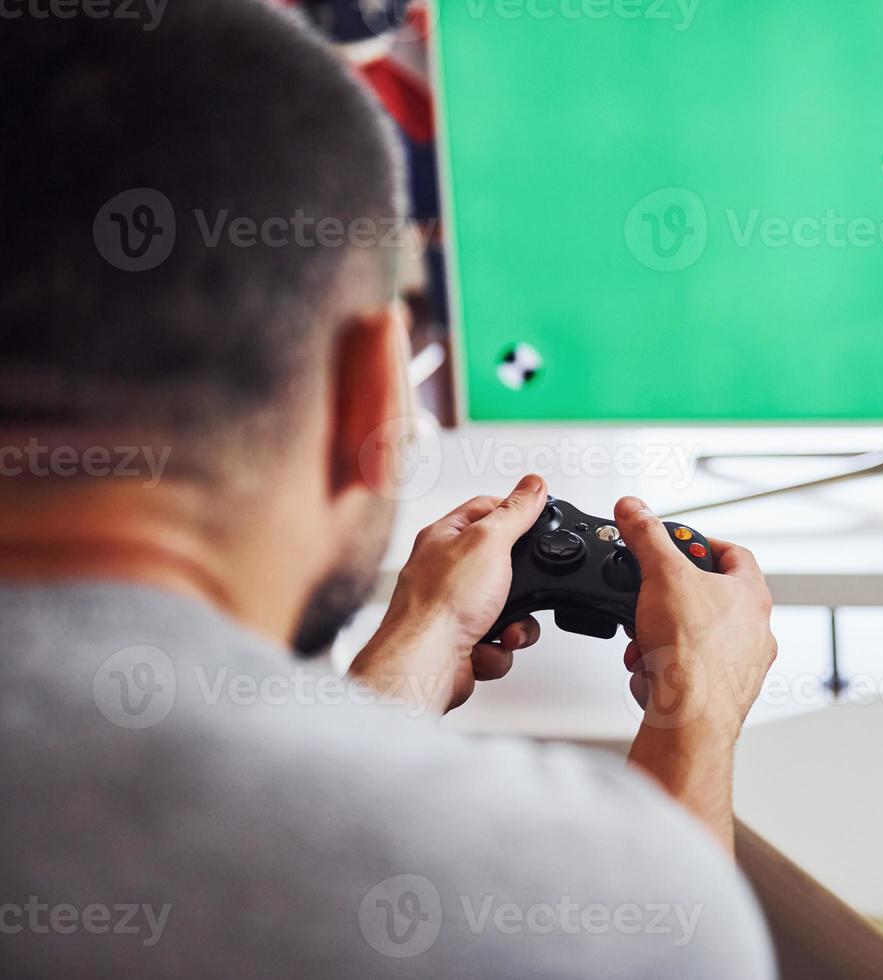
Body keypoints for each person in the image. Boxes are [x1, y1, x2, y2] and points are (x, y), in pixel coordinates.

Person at [0, 2, 778, 977]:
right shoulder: (566, 894)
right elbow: (666, 934)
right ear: (374, 387)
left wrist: (412, 658)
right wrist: (694, 714)